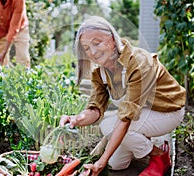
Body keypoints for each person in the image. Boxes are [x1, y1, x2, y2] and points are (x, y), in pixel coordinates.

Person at [59, 16, 186, 176]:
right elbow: (95, 109)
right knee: (116, 165)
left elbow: (125, 118)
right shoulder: (100, 73)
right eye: (86, 48)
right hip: (141, 115)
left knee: (108, 126)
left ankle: (160, 156)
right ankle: (142, 142)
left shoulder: (138, 62)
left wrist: (100, 162)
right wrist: (76, 119)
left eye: (97, 43)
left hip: (167, 112)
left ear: (112, 39)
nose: (93, 52)